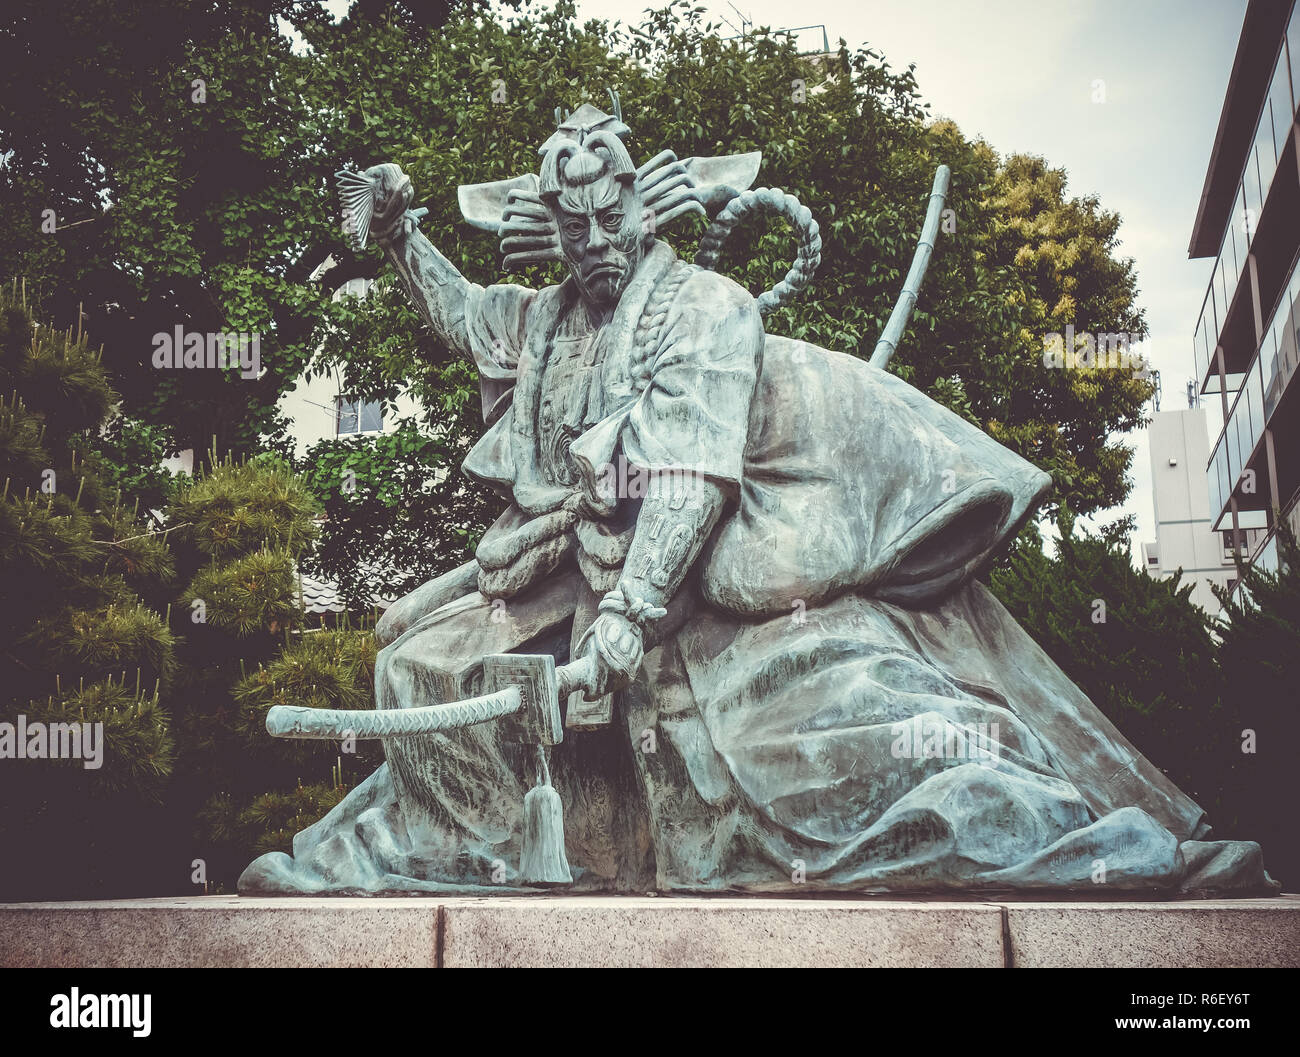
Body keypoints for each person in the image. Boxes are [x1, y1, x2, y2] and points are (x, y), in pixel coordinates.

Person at [240, 106, 1273, 896]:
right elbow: (470, 319)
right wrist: (397, 232)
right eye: (575, 223)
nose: (596, 237)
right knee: (413, 657)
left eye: (612, 216)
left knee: (856, 744)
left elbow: (686, 477)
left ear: (643, 207)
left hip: (712, 599)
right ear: (551, 226)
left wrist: (624, 629)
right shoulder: (545, 318)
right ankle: (450, 848)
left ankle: (1077, 842)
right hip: (562, 578)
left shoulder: (704, 309)